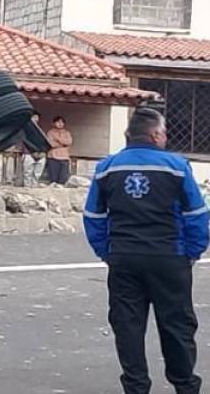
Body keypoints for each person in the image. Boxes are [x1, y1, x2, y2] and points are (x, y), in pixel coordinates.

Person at [83, 106, 208, 394]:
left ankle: (136, 387)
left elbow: (93, 216)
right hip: (169, 258)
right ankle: (185, 386)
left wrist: (107, 252)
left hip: (124, 259)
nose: (165, 137)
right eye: (163, 133)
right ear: (154, 135)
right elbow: (197, 213)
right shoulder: (176, 166)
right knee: (177, 325)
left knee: (127, 326)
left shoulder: (107, 168)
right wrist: (192, 251)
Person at [46, 115, 73, 186]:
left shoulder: (67, 133)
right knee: (53, 179)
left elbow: (69, 142)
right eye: (58, 122)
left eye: (62, 122)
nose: (60, 124)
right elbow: (51, 144)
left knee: (63, 178)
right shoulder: (50, 132)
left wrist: (57, 139)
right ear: (54, 123)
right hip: (53, 156)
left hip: (64, 157)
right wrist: (63, 145)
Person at [19, 112, 45, 187]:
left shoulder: (40, 129)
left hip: (40, 154)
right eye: (34, 117)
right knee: (27, 173)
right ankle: (27, 188)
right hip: (28, 153)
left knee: (37, 174)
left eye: (37, 117)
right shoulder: (24, 129)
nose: (36, 119)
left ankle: (34, 188)